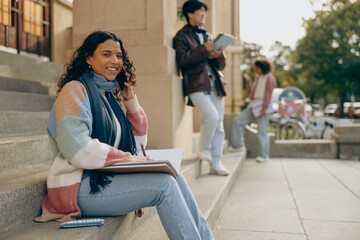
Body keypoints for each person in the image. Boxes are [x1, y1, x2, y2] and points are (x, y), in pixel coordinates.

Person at [34, 31, 214, 240]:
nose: (115, 61)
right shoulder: (73, 91)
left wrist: (130, 100)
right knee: (164, 185)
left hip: (104, 180)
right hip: (78, 187)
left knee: (175, 174)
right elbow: (78, 150)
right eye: (107, 54)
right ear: (88, 58)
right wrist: (130, 159)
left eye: (119, 56)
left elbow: (138, 144)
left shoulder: (108, 96)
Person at [173, 0, 229, 176]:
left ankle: (216, 162)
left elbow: (220, 66)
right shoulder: (181, 36)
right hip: (196, 85)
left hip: (215, 85)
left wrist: (219, 55)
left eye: (205, 12)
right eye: (200, 12)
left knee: (219, 125)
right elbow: (182, 60)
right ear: (190, 14)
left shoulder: (209, 36)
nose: (204, 15)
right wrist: (203, 49)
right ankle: (203, 149)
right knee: (211, 117)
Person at [231, 57, 277, 163]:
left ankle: (264, 155)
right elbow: (251, 95)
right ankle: (238, 145)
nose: (255, 70)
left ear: (262, 67)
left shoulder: (269, 78)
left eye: (257, 68)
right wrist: (248, 85)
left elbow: (268, 94)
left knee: (262, 132)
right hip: (253, 106)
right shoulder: (258, 78)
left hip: (262, 107)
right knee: (238, 121)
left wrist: (264, 107)